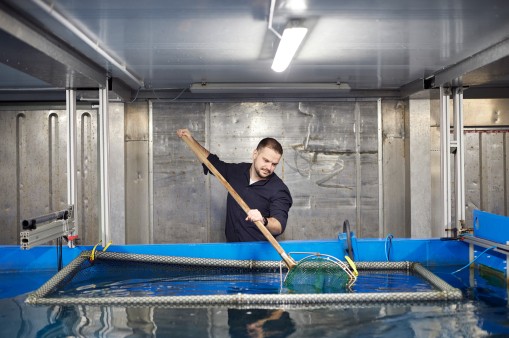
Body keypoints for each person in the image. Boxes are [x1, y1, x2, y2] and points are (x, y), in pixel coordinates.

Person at [176, 128, 292, 242]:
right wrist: (191, 140)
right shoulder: (237, 171)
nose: (269, 167)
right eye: (266, 160)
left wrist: (263, 220)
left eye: (274, 164)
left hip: (259, 255)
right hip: (231, 250)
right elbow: (211, 163)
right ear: (255, 154)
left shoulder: (279, 189)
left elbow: (279, 225)